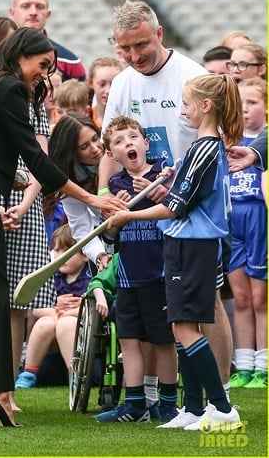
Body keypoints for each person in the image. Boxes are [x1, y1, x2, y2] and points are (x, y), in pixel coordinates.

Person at [0, 27, 124, 427]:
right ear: (20, 55)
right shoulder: (10, 88)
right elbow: (35, 157)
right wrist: (91, 198)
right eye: (42, 65)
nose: (45, 75)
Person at [99, 0, 234, 404]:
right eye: (125, 48)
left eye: (141, 45)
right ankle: (173, 398)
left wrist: (175, 190)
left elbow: (216, 146)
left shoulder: (192, 76)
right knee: (168, 308)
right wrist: (106, 196)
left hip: (190, 216)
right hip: (144, 214)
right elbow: (109, 148)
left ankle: (220, 393)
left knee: (204, 301)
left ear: (159, 34)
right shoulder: (123, 82)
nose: (135, 56)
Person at [107, 73, 243, 431]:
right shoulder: (199, 150)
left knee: (184, 327)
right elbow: (182, 193)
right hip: (184, 243)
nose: (183, 111)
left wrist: (128, 215)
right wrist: (172, 176)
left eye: (185, 104)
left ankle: (222, 407)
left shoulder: (205, 148)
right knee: (181, 324)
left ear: (205, 106)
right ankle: (195, 409)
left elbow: (176, 207)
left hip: (193, 244)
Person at [93, 116, 178, 424]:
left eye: (133, 137)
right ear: (112, 155)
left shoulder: (164, 176)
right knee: (128, 340)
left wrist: (163, 192)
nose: (128, 143)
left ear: (145, 143)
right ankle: (135, 404)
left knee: (163, 341)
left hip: (159, 275)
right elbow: (109, 237)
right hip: (127, 278)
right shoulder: (115, 187)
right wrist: (115, 216)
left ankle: (168, 404)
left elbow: (176, 217)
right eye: (118, 141)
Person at [16, 223, 91, 388]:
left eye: (66, 251)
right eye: (56, 250)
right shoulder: (51, 277)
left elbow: (96, 310)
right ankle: (28, 373)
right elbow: (35, 307)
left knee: (66, 324)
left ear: (85, 254)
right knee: (45, 322)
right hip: (50, 341)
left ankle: (76, 375)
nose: (59, 256)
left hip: (82, 336)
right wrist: (55, 310)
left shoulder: (91, 278)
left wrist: (77, 310)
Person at [228, 77, 267, 389]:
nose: (245, 109)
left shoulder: (265, 142)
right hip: (232, 222)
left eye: (252, 102)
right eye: (240, 103)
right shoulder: (229, 140)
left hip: (259, 218)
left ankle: (263, 365)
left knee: (260, 297)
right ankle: (243, 365)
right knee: (240, 297)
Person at [48, 112, 112, 272]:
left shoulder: (115, 151)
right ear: (72, 153)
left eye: (95, 138)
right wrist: (100, 256)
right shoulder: (71, 182)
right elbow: (83, 231)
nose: (95, 148)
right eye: (84, 147)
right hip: (107, 244)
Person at [9, 0, 86, 81]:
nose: (33, 12)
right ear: (12, 12)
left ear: (48, 14)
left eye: (40, 7)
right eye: (25, 6)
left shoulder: (69, 63)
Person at [87, 57, 123, 128]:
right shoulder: (84, 118)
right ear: (90, 83)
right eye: (102, 84)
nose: (108, 90)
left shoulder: (130, 115)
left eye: (114, 84)